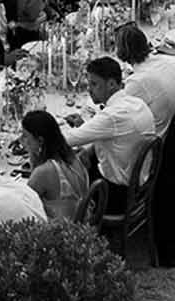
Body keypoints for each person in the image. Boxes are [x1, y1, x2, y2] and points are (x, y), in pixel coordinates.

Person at [61, 57, 157, 199]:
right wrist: (85, 128)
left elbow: (65, 140)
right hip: (140, 183)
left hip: (116, 193)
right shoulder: (136, 103)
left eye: (94, 84)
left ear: (111, 84)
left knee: (61, 173)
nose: (89, 89)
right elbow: (113, 133)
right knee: (81, 156)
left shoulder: (112, 116)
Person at [111, 22, 175, 136]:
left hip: (160, 140)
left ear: (121, 51)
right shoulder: (161, 61)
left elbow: (116, 118)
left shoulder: (137, 82)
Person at [21, 109, 91, 223]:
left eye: (25, 136)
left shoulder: (44, 172)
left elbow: (26, 201)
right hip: (82, 221)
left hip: (63, 231)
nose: (21, 140)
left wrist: (31, 152)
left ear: (40, 140)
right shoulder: (71, 156)